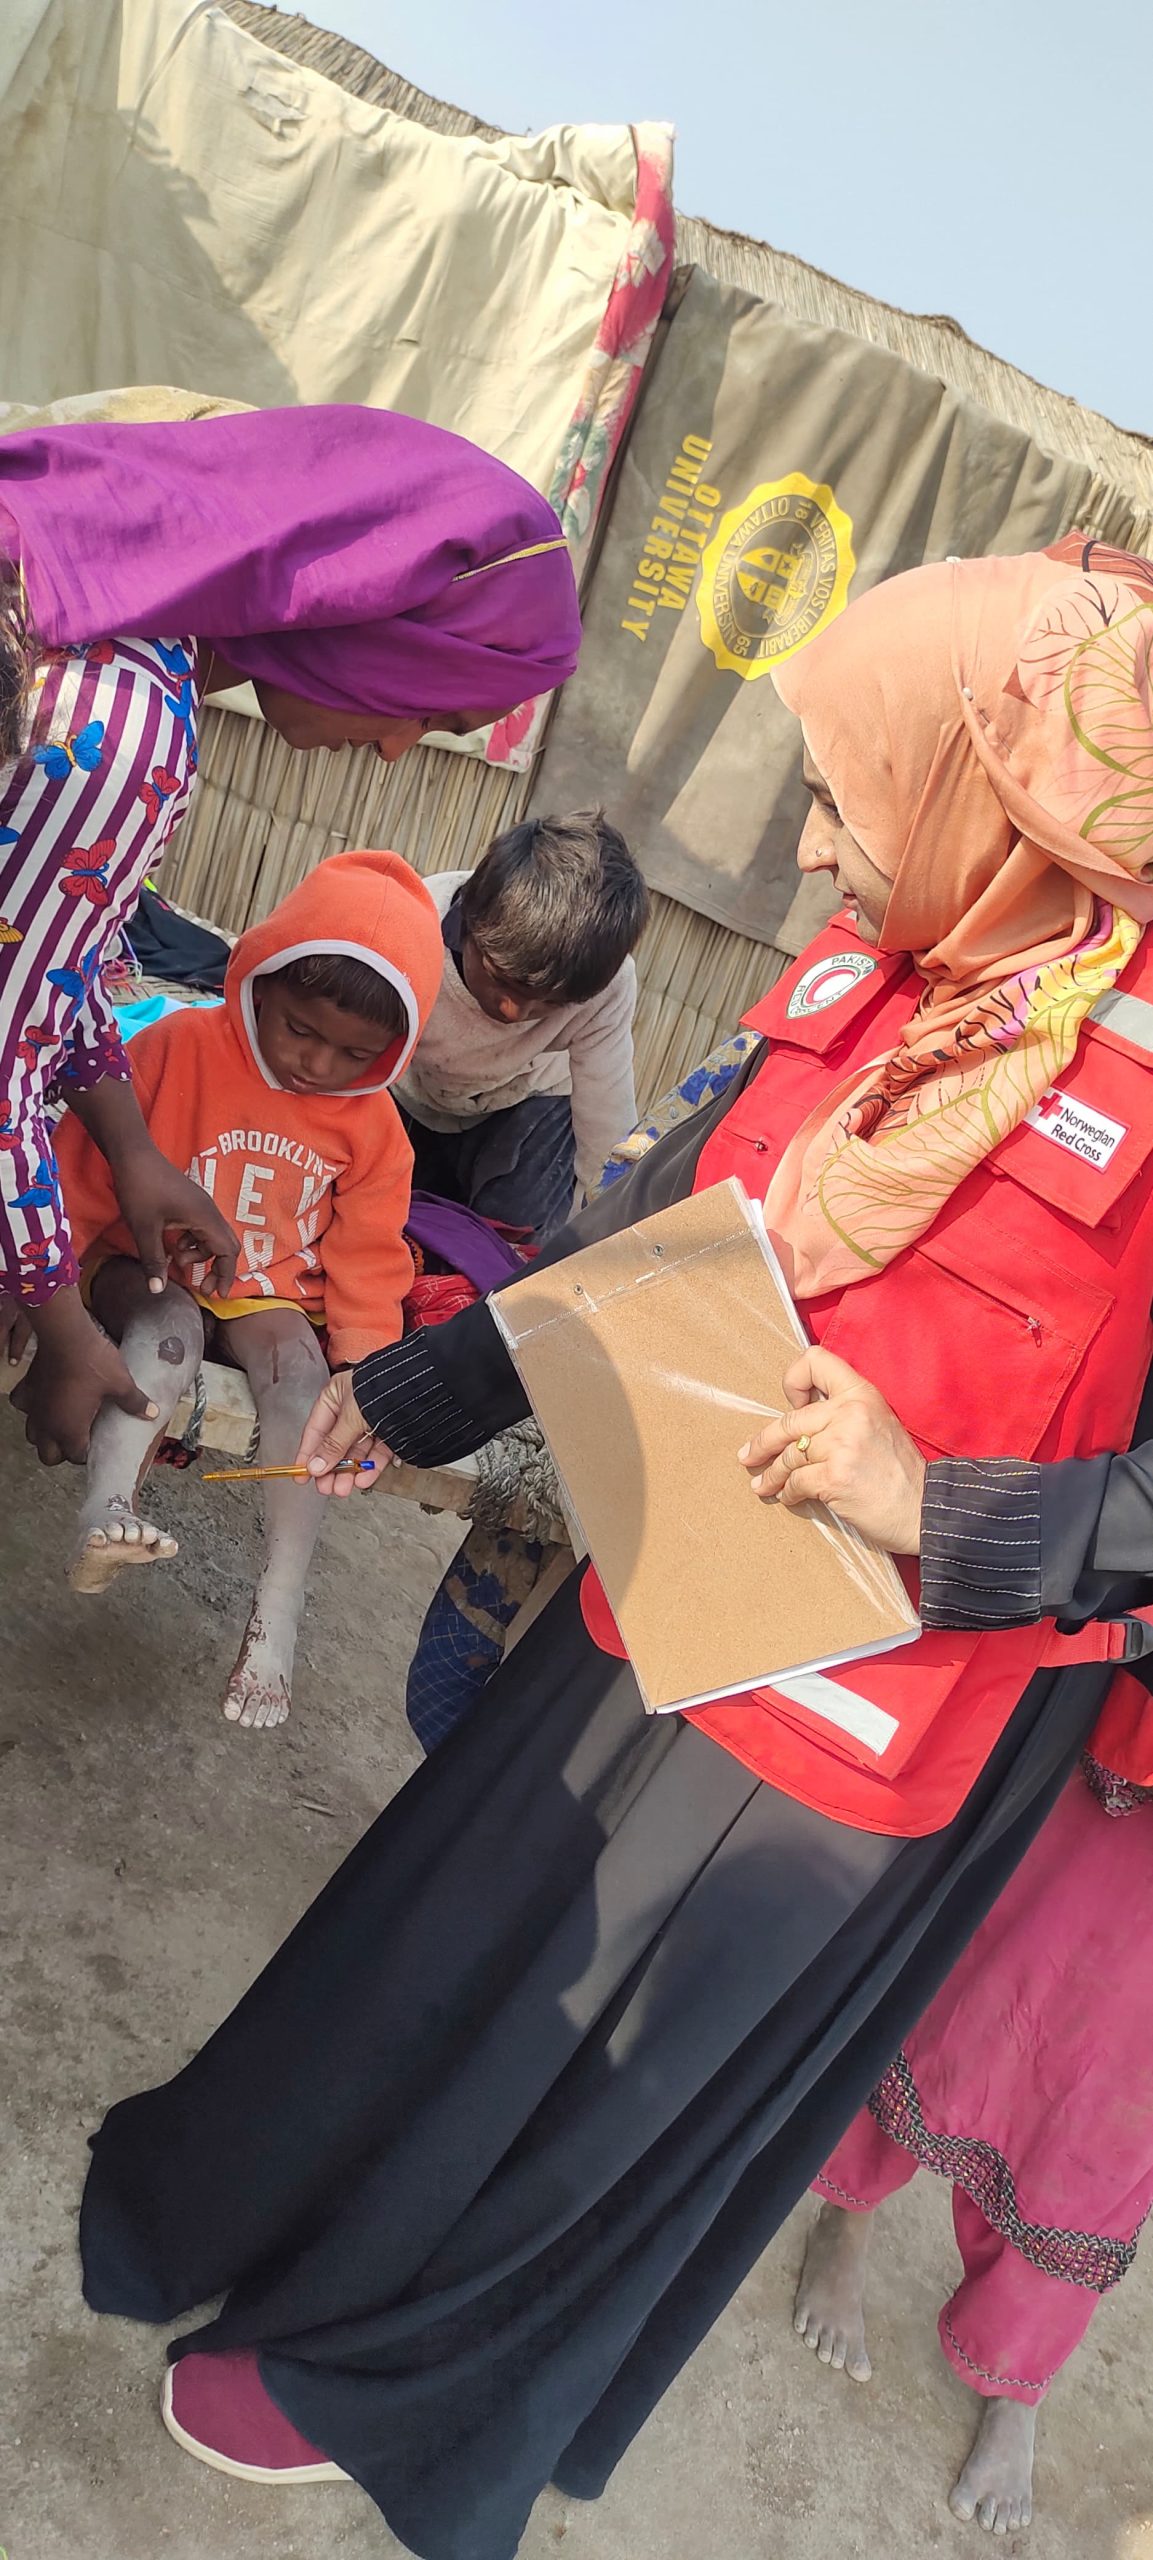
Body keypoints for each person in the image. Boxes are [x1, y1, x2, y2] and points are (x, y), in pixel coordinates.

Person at [80, 536, 1153, 2560]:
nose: (822, 859)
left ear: (1002, 794)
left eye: (852, 798)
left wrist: (947, 1507)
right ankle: (269, 2222)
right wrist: (413, 1395)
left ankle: (385, 2378)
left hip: (880, 1715)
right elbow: (675, 1238)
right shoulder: (896, 980)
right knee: (457, 1937)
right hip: (678, 1574)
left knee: (603, 2066)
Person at [0, 402, 581, 1468]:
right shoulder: (123, 726)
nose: (403, 751)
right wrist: (59, 1312)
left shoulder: (120, 649)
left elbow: (45, 970)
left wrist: (131, 1150)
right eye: (438, 708)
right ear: (361, 606)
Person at [51, 849, 443, 1729]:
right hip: (146, 1264)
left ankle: (279, 1605)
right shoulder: (173, 1049)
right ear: (258, 982)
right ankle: (106, 1509)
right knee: (167, 1329)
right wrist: (50, 1277)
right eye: (300, 1028)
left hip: (268, 1296)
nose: (318, 1063)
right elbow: (85, 1165)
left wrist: (367, 1374)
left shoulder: (377, 1128)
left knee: (304, 1379)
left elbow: (369, 1257)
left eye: (356, 1051)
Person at [791, 1666, 1153, 2536]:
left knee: (1107, 2124)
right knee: (972, 1988)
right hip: (1124, 1738)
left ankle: (1014, 2372)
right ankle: (849, 2210)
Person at [393, 810, 649, 1244]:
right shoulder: (414, 923)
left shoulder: (608, 986)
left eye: (551, 1003)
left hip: (526, 1102)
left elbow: (607, 1129)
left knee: (511, 1253)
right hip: (405, 1086)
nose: (514, 1011)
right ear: (468, 922)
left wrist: (613, 1234)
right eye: (500, 979)